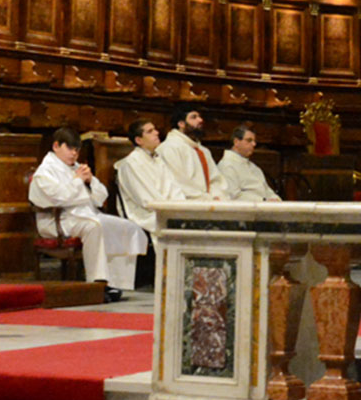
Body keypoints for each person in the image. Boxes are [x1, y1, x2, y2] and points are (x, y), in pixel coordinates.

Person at [27, 126, 145, 301]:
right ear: (56, 146)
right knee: (93, 227)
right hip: (57, 221)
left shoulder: (76, 167)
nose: (74, 154)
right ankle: (97, 283)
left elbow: (101, 196)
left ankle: (117, 283)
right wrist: (77, 181)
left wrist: (90, 182)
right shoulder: (45, 172)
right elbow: (58, 198)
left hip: (81, 215)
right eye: (70, 148)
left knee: (126, 227)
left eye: (77, 150)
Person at [115, 117, 186, 287]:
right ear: (139, 140)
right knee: (173, 226)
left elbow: (173, 187)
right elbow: (145, 198)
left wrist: (181, 206)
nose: (156, 133)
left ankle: (185, 275)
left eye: (155, 129)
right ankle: (171, 278)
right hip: (146, 213)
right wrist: (170, 209)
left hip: (165, 208)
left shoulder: (158, 159)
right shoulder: (131, 163)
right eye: (150, 131)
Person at [157, 108, 230, 201]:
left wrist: (216, 195)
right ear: (181, 124)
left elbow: (215, 180)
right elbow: (178, 182)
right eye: (194, 117)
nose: (200, 120)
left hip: (207, 202)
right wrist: (206, 198)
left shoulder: (203, 150)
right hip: (185, 204)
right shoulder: (169, 148)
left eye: (199, 117)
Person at [217, 124, 279, 202]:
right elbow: (233, 195)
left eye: (254, 141)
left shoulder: (253, 167)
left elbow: (267, 190)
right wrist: (263, 201)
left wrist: (275, 199)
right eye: (249, 140)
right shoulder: (226, 165)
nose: (254, 144)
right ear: (236, 142)